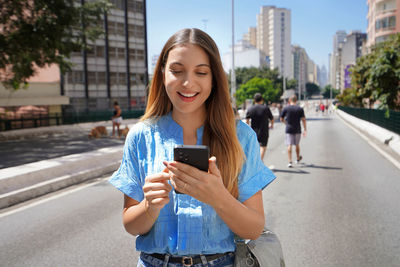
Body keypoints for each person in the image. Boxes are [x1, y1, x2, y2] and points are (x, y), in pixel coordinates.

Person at [109, 28, 276, 267]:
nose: (188, 83)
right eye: (177, 71)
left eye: (201, 72)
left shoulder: (240, 136)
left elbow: (254, 228)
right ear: (162, 73)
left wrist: (219, 197)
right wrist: (150, 206)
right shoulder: (140, 136)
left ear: (214, 78)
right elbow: (131, 224)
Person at [280, 95, 307, 168]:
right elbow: (303, 119)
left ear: (289, 100)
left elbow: (281, 119)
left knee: (289, 144)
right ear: (296, 100)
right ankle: (298, 158)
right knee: (297, 144)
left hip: (289, 129)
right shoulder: (300, 108)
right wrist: (305, 129)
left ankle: (290, 161)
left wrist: (286, 123)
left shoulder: (286, 108)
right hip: (297, 128)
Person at [245, 93, 274, 160]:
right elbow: (271, 118)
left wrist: (248, 127)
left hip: (253, 131)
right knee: (263, 147)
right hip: (264, 130)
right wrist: (271, 125)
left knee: (254, 148)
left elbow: (247, 120)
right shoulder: (266, 108)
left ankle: (255, 162)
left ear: (254, 100)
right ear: (262, 100)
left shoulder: (250, 109)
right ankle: (259, 162)